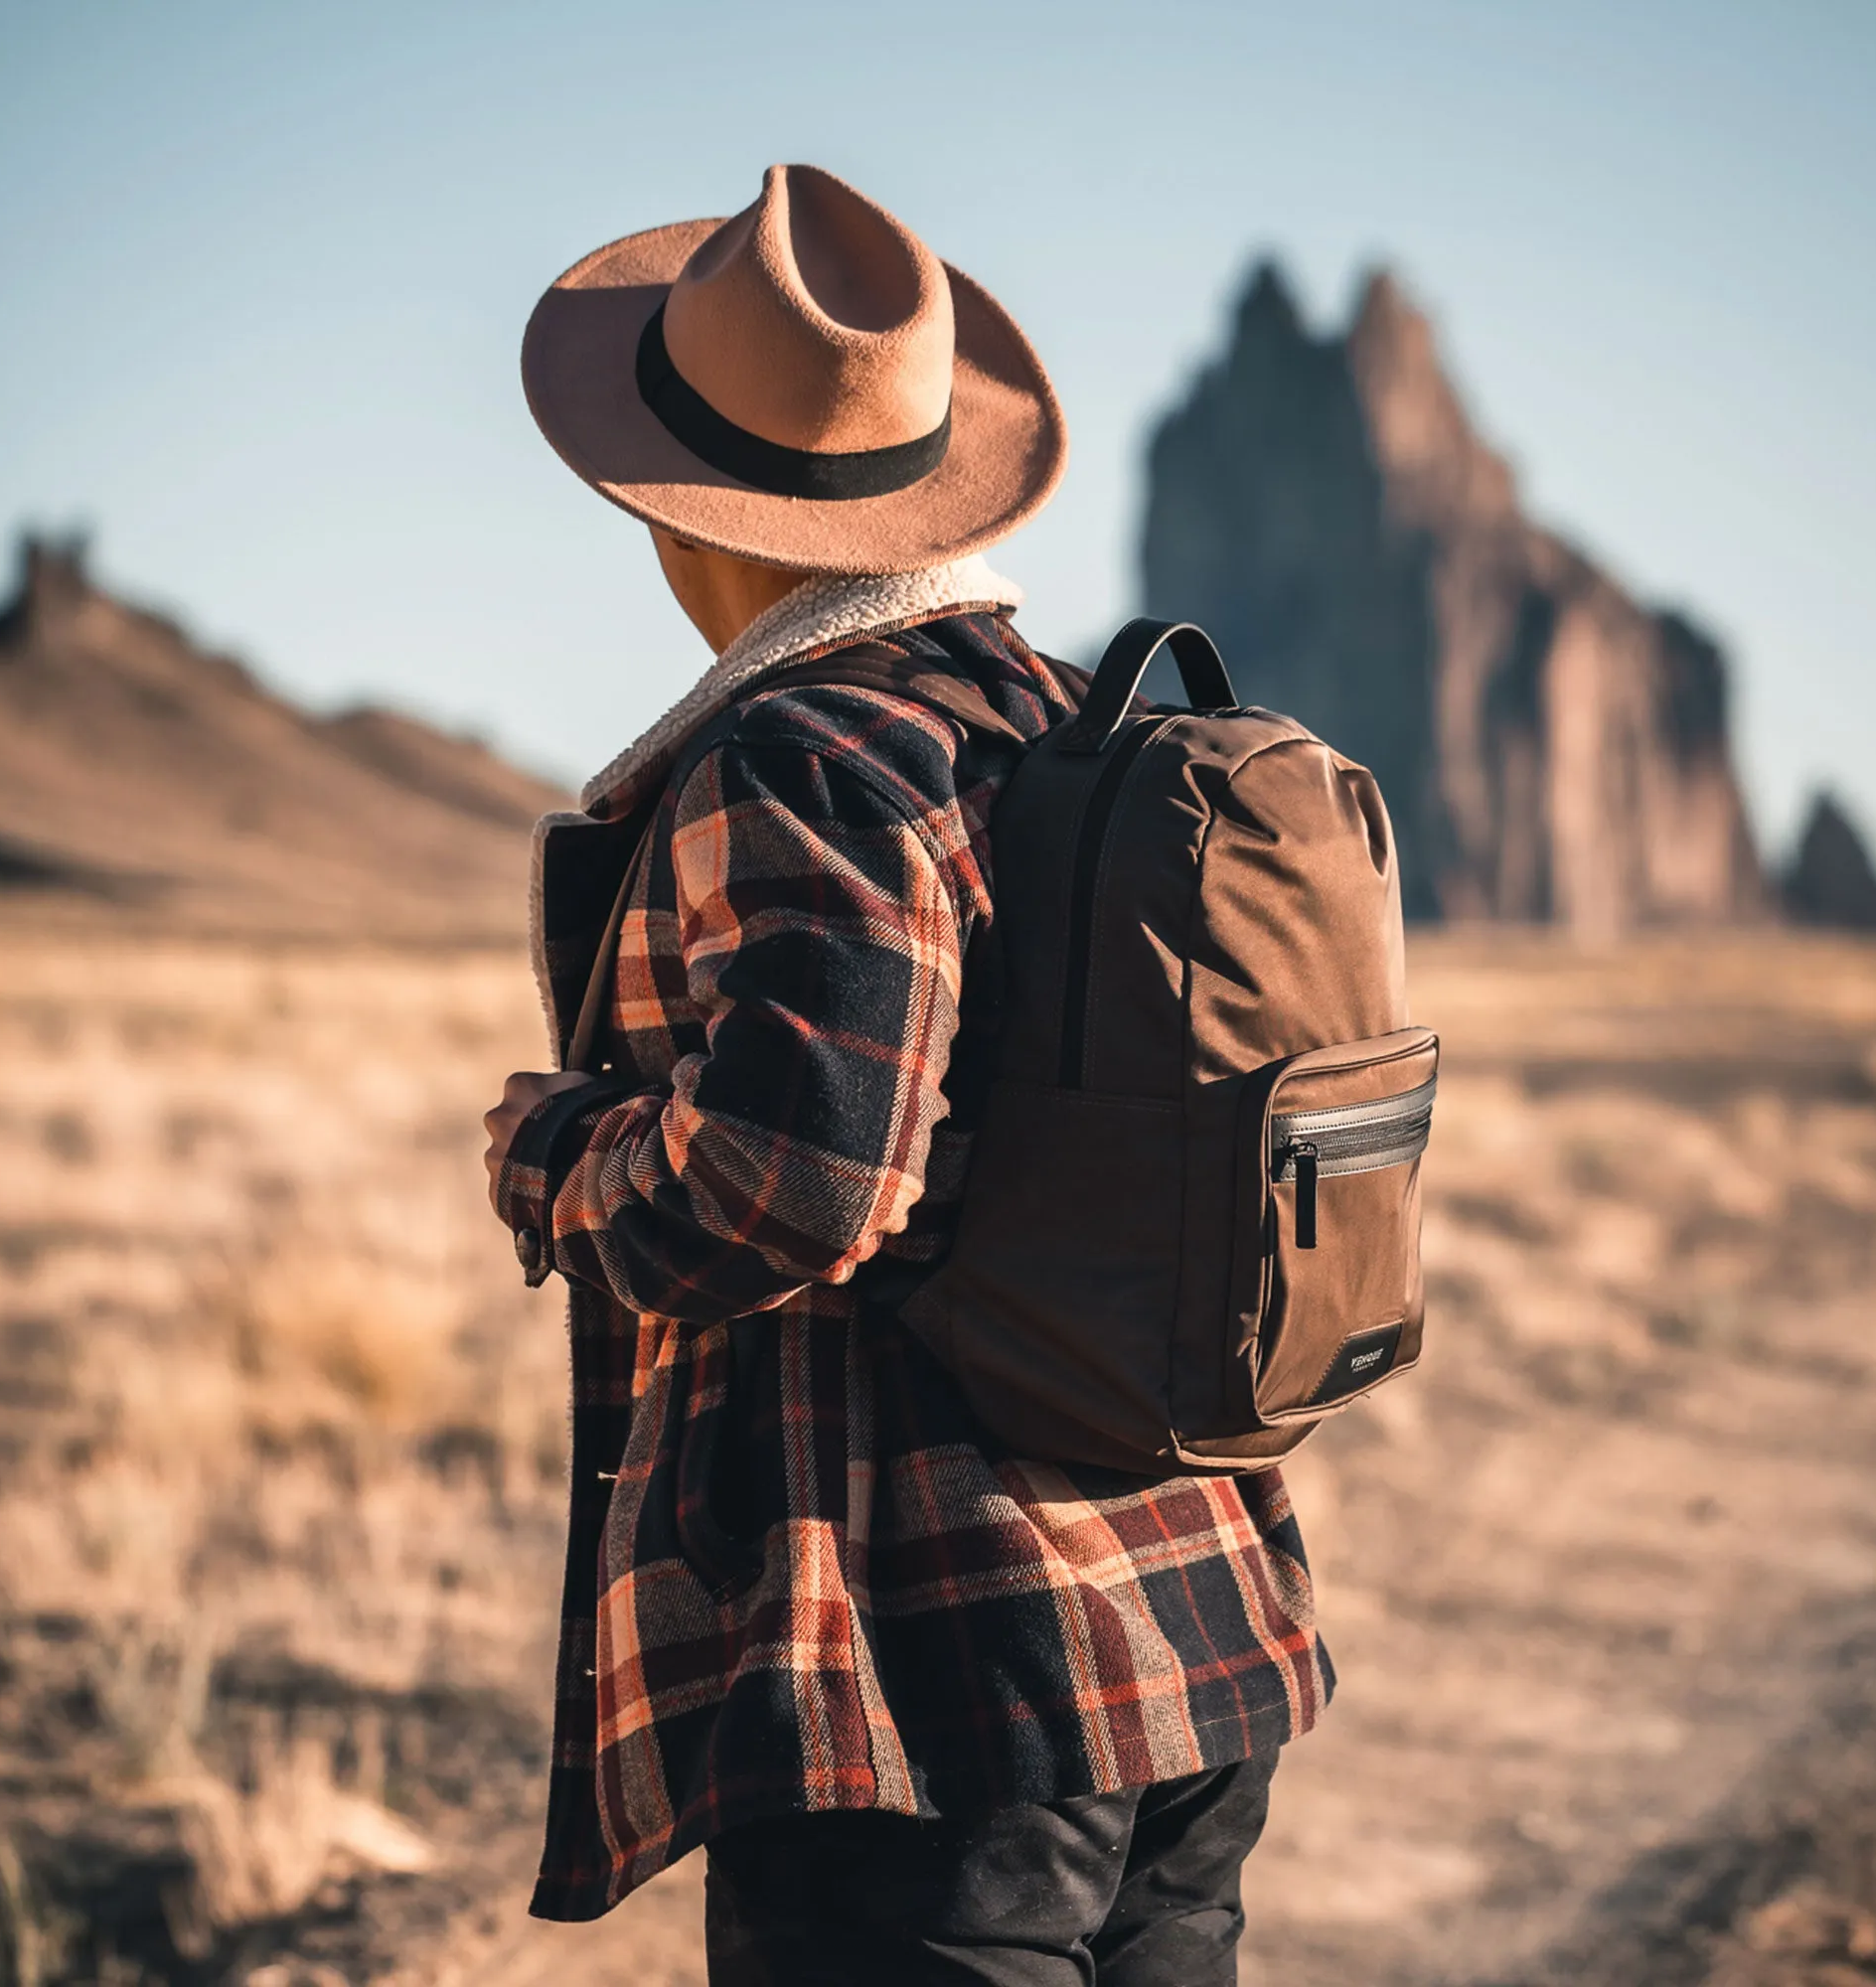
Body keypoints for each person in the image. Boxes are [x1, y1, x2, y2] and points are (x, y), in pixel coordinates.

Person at [483, 164, 1330, 1985]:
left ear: (680, 519)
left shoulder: (800, 757)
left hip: (929, 1677)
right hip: (1180, 1608)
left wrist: (562, 1156)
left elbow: (796, 1183)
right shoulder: (1061, 726)